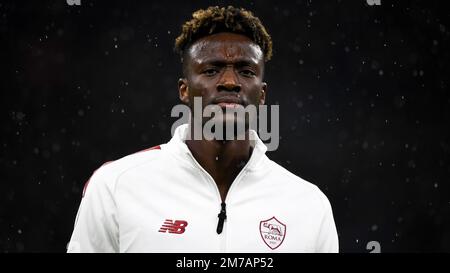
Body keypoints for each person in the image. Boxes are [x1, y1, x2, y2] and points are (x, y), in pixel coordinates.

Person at [67, 6, 338, 253]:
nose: (230, 82)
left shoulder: (309, 206)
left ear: (262, 94)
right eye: (211, 70)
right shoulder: (116, 186)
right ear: (184, 90)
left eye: (246, 71)